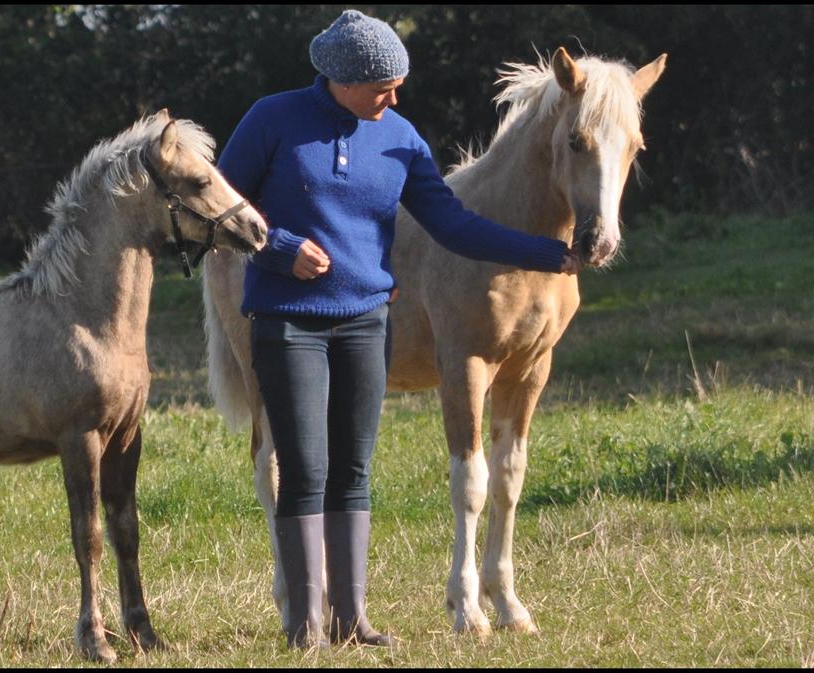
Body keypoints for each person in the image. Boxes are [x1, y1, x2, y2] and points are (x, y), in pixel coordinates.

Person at [216, 9, 580, 649]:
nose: (396, 95)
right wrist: (280, 249)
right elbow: (220, 205)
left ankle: (349, 620)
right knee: (305, 467)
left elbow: (453, 224)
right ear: (341, 79)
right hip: (288, 320)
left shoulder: (400, 137)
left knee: (353, 469)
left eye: (398, 82)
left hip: (365, 321)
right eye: (384, 84)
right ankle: (304, 622)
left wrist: (550, 255)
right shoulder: (271, 120)